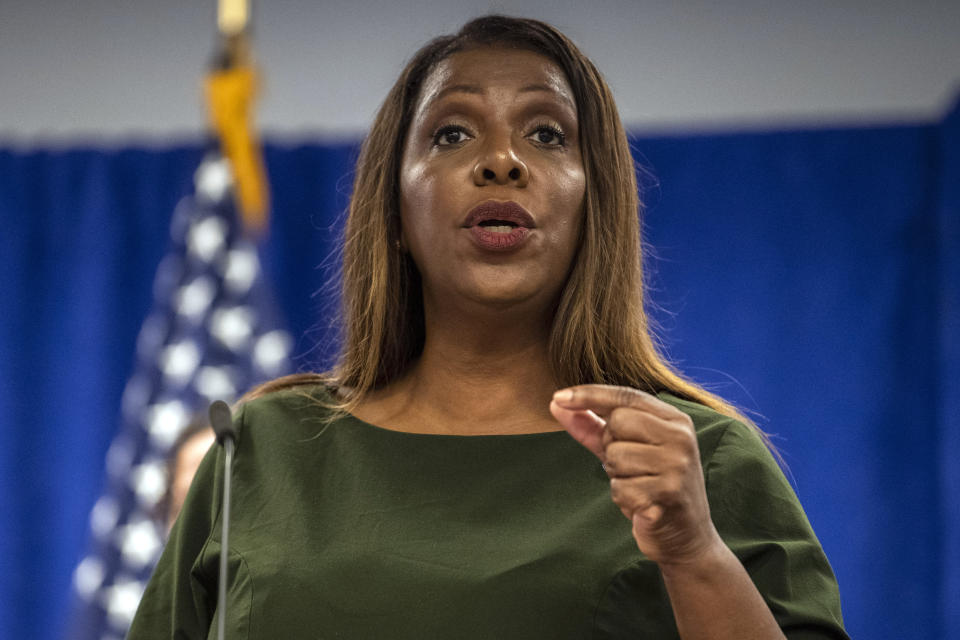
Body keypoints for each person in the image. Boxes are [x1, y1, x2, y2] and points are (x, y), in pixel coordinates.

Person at [128, 15, 848, 639]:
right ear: (395, 211)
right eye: (451, 133)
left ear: (594, 207)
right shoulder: (256, 453)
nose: (501, 161)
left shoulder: (700, 462)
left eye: (545, 133)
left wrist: (694, 551)